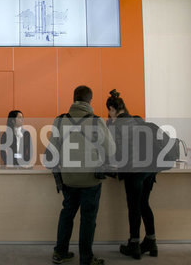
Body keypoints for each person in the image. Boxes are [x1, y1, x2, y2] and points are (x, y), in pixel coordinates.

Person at [48, 86, 115, 265]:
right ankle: (86, 258)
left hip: (68, 178)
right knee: (88, 219)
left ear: (73, 98)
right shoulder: (96, 121)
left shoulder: (60, 121)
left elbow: (51, 153)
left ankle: (60, 252)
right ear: (90, 101)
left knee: (67, 214)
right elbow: (112, 149)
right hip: (90, 180)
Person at [106, 89, 158, 259]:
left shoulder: (117, 124)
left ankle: (134, 244)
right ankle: (151, 242)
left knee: (134, 207)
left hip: (134, 170)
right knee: (144, 204)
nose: (109, 114)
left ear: (113, 109)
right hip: (150, 169)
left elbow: (114, 151)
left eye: (109, 111)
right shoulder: (137, 120)